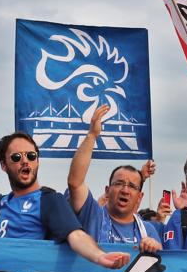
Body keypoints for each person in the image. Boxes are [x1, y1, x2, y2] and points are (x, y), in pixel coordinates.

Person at [0, 125, 127, 268]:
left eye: (31, 156)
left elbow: (76, 235)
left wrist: (99, 256)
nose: (25, 161)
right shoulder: (4, 202)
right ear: (3, 165)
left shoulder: (49, 200)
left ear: (37, 161)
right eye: (17, 157)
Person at [66, 105, 160, 253]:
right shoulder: (93, 215)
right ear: (107, 191)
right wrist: (92, 136)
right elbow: (75, 183)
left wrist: (156, 247)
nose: (125, 190)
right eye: (119, 183)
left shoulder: (148, 231)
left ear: (139, 197)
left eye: (132, 186)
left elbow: (164, 268)